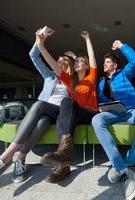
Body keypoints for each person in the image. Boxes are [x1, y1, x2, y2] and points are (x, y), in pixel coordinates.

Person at [0, 27, 75, 189]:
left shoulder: (71, 81)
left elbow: (85, 75)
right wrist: (39, 40)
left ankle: (4, 158)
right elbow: (33, 55)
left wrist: (74, 58)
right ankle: (20, 160)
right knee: (41, 123)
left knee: (38, 104)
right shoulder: (49, 76)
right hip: (45, 113)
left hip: (59, 113)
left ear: (69, 67)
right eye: (58, 62)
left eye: (63, 63)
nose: (59, 64)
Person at [91, 40, 135, 200]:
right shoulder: (101, 82)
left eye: (107, 62)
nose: (104, 64)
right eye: (104, 62)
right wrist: (101, 107)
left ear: (115, 65)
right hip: (111, 113)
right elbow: (98, 100)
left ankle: (125, 164)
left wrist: (121, 46)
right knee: (96, 120)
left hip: (130, 110)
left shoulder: (124, 73)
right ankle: (120, 166)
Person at [36, 28, 98, 183]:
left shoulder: (91, 76)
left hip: (90, 112)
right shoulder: (70, 81)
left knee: (68, 102)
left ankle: (63, 158)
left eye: (80, 61)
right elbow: (52, 64)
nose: (76, 62)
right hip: (75, 114)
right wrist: (41, 45)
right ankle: (63, 164)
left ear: (86, 65)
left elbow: (91, 56)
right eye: (75, 61)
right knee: (64, 108)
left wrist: (87, 39)